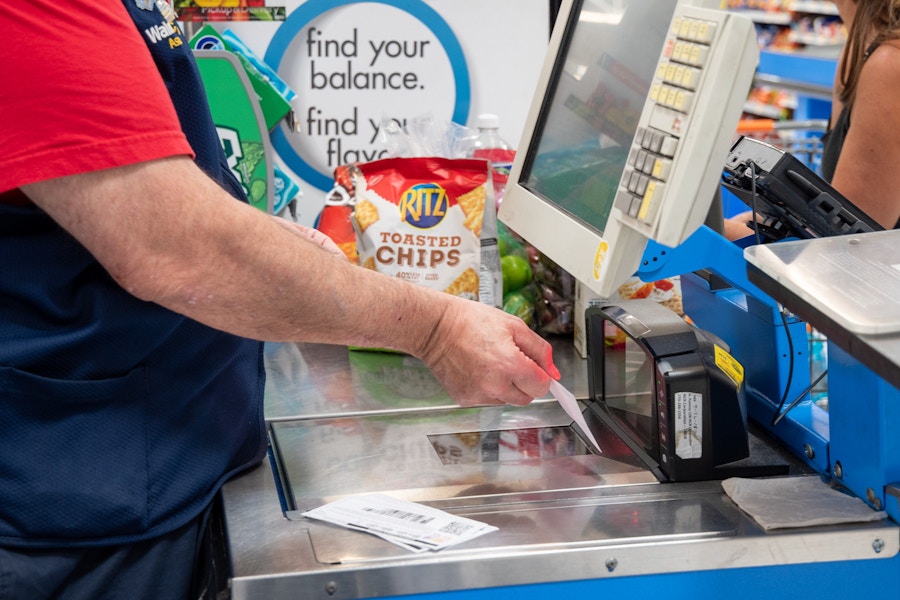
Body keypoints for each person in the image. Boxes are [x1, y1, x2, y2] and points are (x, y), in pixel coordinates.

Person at [0, 2, 559, 598]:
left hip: (154, 461)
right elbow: (174, 246)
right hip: (71, 501)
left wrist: (266, 238)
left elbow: (117, 190)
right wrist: (437, 329)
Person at [726, 0, 900, 239]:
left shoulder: (890, 64)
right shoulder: (859, 45)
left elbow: (848, 244)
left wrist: (718, 231)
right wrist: (757, 221)